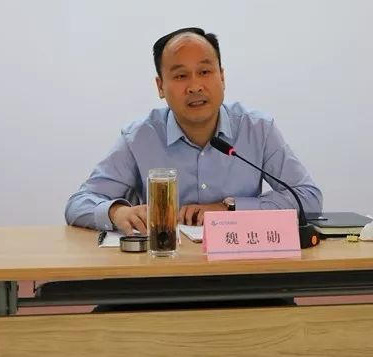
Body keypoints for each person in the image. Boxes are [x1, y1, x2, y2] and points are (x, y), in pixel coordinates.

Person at [65, 27, 322, 234]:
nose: (195, 86)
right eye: (180, 76)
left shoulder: (257, 129)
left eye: (205, 71)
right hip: (163, 269)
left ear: (222, 77)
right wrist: (117, 212)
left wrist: (231, 209)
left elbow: (308, 198)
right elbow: (79, 203)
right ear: (160, 86)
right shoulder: (140, 138)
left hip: (240, 266)